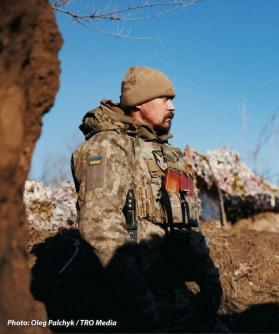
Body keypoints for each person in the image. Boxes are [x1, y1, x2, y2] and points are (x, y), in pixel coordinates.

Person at [71, 66, 226, 332]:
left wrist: (210, 281)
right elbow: (101, 229)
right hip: (123, 296)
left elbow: (187, 225)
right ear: (139, 103)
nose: (173, 107)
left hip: (168, 290)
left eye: (173, 99)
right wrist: (139, 302)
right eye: (165, 99)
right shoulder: (107, 147)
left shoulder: (167, 155)